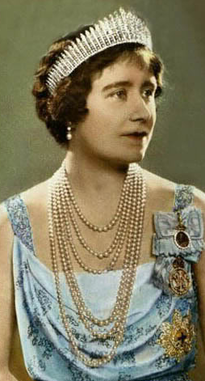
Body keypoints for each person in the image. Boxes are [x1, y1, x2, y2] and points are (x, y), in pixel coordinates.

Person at [0, 7, 205, 381]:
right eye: (119, 93)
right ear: (70, 109)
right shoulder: (12, 225)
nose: (143, 111)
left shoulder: (190, 210)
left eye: (148, 92)